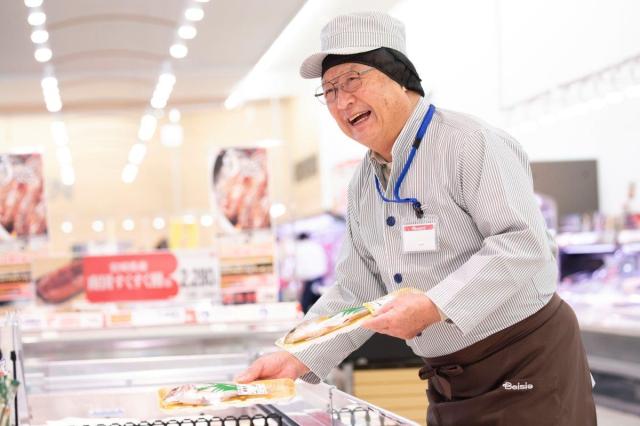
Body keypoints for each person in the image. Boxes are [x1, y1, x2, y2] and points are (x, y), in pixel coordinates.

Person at [236, 11, 596, 425]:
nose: (341, 101)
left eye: (353, 79)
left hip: (526, 360)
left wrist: (436, 305)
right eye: (329, 90)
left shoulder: (469, 143)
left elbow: (522, 242)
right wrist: (295, 355)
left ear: (398, 75)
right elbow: (358, 288)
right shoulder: (363, 183)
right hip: (450, 378)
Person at [293, 232, 329, 313]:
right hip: (319, 276)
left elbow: (296, 265)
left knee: (305, 301)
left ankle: (306, 317)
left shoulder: (299, 248)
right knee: (318, 299)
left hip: (308, 279)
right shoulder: (316, 246)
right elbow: (324, 261)